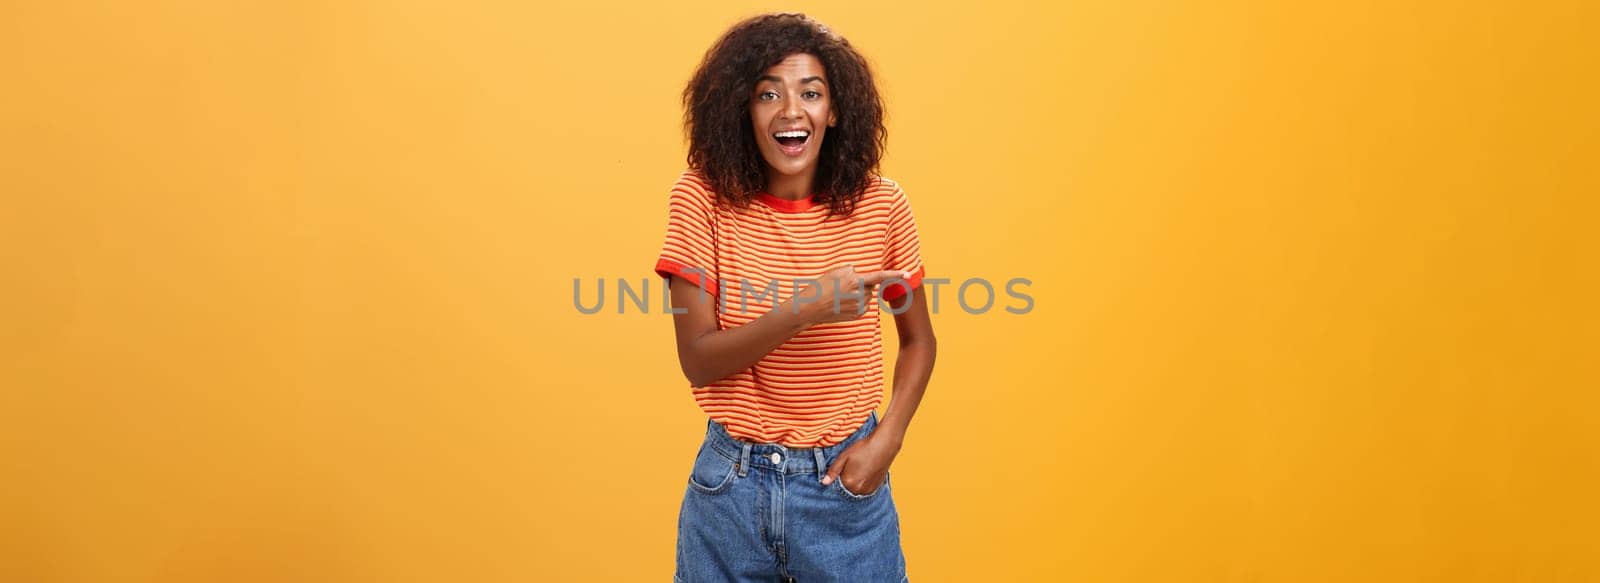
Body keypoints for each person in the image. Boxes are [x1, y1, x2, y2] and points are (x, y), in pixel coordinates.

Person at [654, 12, 937, 583]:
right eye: (768, 94)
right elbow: (698, 361)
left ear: (834, 112)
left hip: (844, 486)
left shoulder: (881, 206)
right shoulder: (700, 199)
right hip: (729, 490)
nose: (790, 111)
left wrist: (888, 442)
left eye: (811, 93)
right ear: (744, 110)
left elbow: (919, 343)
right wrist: (807, 309)